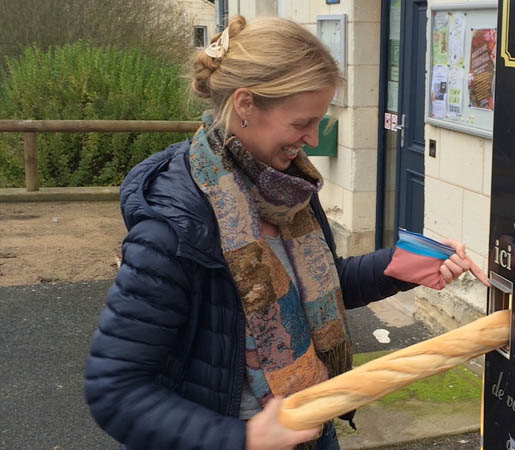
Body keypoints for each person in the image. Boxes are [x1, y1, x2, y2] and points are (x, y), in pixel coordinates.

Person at [84, 15, 488, 450]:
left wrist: (400, 265)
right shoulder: (175, 224)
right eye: (301, 123)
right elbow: (115, 389)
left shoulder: (286, 189)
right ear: (245, 104)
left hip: (309, 428)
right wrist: (244, 438)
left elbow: (318, 287)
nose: (312, 138)